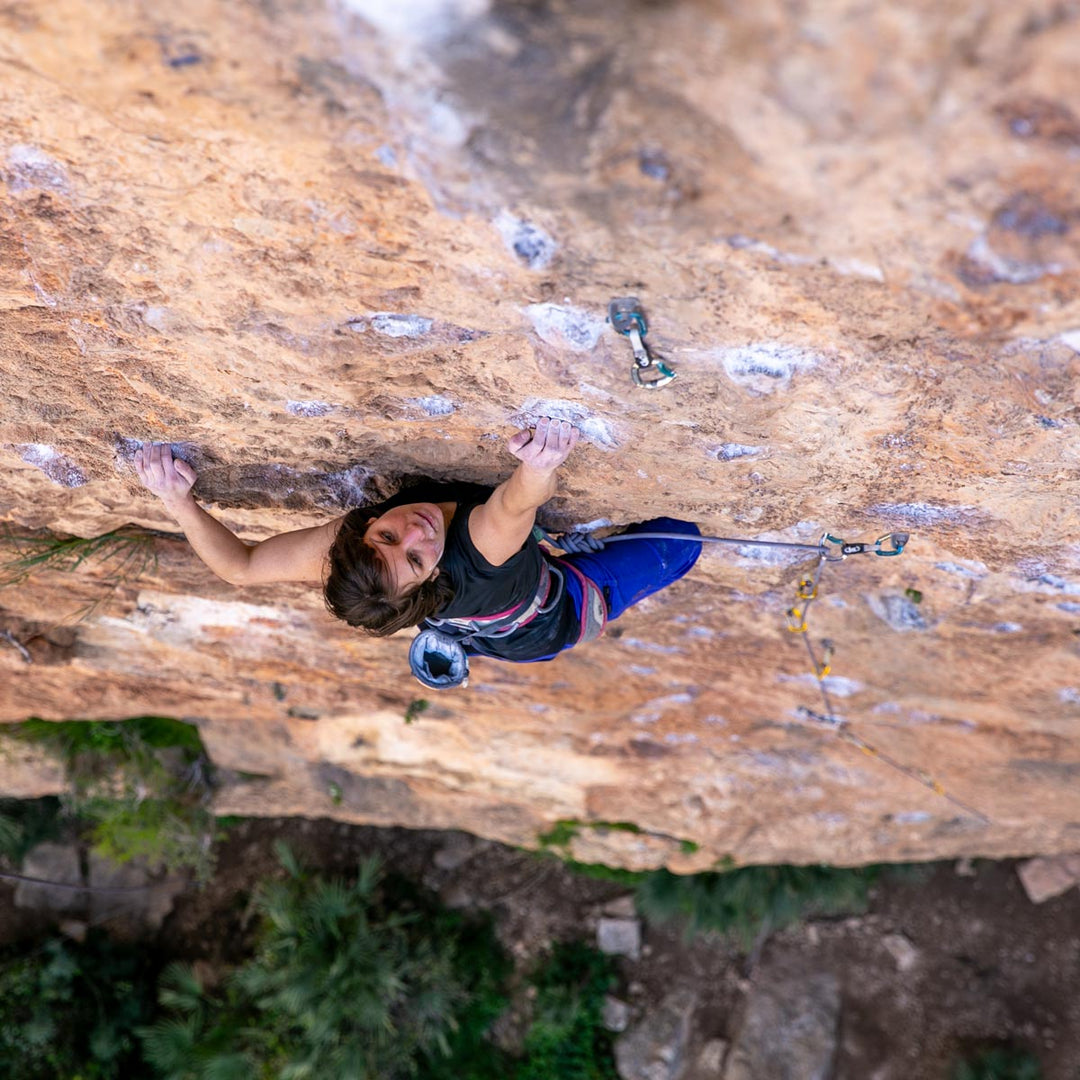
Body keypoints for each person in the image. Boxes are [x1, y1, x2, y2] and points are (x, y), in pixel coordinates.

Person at [134, 418, 701, 687]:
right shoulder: (477, 553)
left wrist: (175, 500)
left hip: (467, 607)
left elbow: (241, 568)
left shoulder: (354, 555)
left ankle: (455, 638)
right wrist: (540, 461)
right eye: (414, 559)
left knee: (455, 609)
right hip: (554, 615)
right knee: (683, 539)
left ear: (362, 531)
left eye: (388, 536)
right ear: (429, 580)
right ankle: (471, 634)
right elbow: (514, 505)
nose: (416, 532)